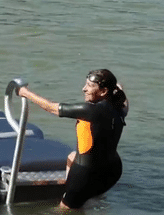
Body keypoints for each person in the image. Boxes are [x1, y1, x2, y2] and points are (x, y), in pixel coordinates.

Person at [18, 69, 129, 209]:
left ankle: (75, 196)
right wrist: (118, 87)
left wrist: (25, 92)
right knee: (72, 156)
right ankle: (84, 196)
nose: (84, 89)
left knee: (64, 210)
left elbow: (51, 108)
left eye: (89, 85)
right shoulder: (120, 108)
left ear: (103, 91)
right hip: (113, 172)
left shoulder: (90, 110)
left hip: (87, 174)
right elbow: (125, 101)